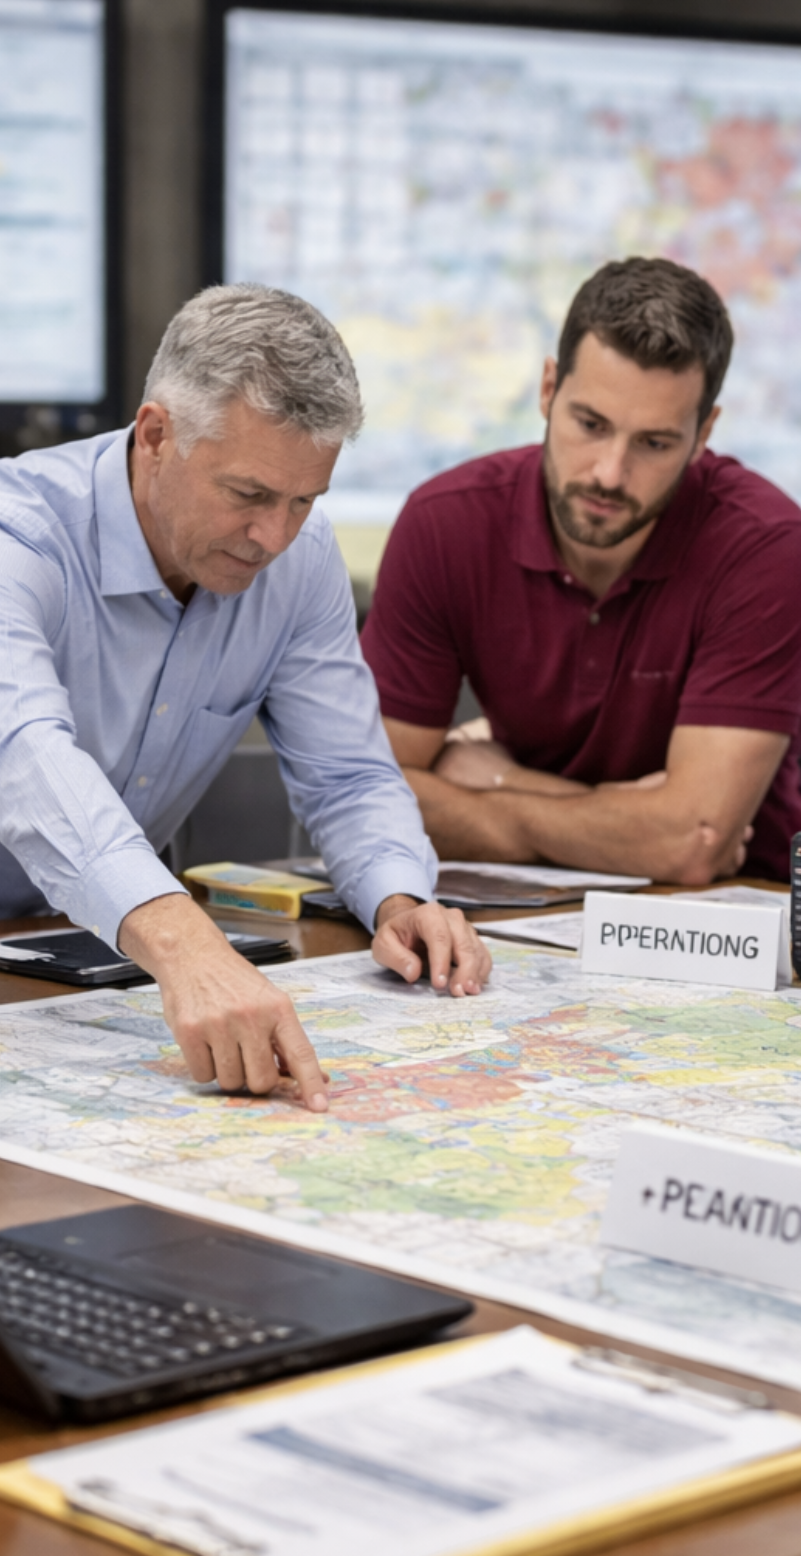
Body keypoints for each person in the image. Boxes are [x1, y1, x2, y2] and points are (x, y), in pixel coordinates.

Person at [0, 284, 491, 1111]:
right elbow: (24, 752)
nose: (276, 536)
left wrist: (400, 897)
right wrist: (185, 943)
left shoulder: (297, 562)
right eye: (251, 495)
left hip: (65, 964)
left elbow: (349, 776)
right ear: (157, 435)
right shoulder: (20, 536)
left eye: (305, 500)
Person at [360, 258, 801, 886]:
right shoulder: (445, 522)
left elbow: (693, 847)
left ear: (704, 432)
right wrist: (630, 821)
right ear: (548, 389)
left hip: (729, 923)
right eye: (590, 424)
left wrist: (498, 782)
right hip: (513, 916)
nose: (609, 472)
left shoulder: (766, 544)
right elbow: (370, 798)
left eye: (654, 443)